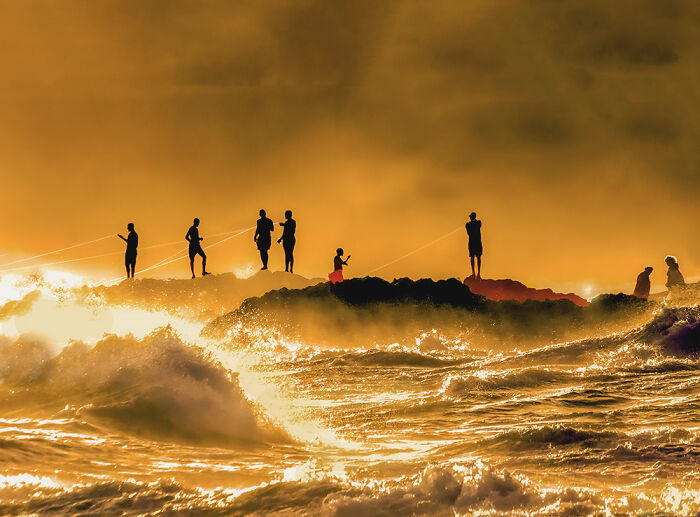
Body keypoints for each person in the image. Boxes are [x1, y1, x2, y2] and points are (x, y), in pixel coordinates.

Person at [465, 212, 482, 278]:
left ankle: (478, 273)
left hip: (475, 242)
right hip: (474, 242)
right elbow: (469, 233)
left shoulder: (478, 222)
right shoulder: (468, 224)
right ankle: (474, 273)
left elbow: (470, 232)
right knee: (473, 257)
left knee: (478, 257)